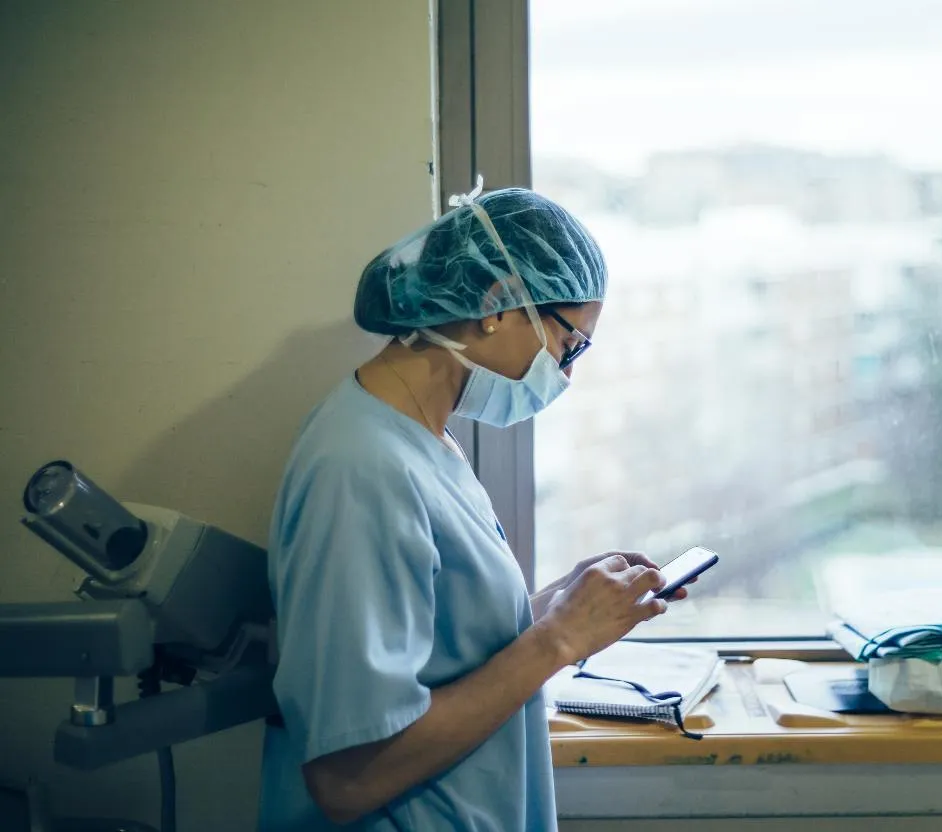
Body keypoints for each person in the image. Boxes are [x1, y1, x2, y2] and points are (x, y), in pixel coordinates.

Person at [257, 181, 687, 831]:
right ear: (496, 305)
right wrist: (558, 639)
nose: (567, 375)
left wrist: (564, 604)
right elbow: (347, 780)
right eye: (571, 346)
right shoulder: (359, 468)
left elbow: (443, 651)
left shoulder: (422, 438)